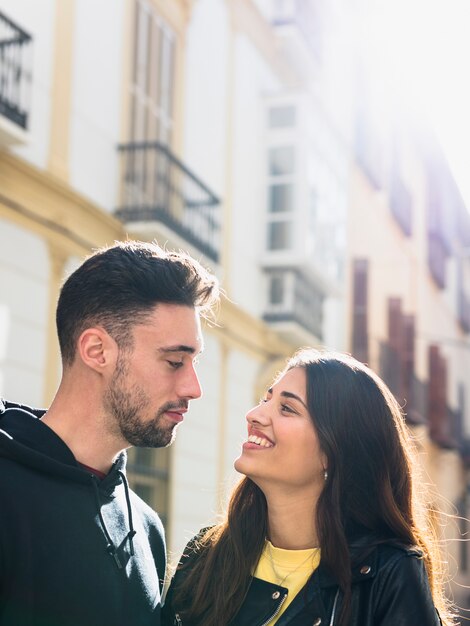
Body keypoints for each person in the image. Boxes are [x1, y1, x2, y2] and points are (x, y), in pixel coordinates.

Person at [0, 240, 219, 626]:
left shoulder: (147, 526)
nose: (193, 388)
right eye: (174, 361)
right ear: (97, 351)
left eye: (193, 362)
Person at [163, 349, 454, 626]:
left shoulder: (390, 574)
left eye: (287, 408)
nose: (254, 414)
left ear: (334, 451)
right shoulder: (204, 553)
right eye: (266, 400)